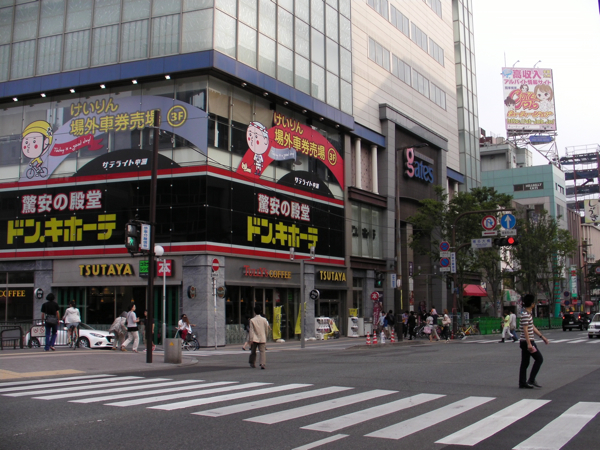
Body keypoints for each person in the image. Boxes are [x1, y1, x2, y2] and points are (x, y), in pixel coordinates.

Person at [518, 294, 549, 389]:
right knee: (539, 359)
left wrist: (542, 337)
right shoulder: (525, 315)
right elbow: (525, 330)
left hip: (526, 341)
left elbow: (532, 327)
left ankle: (522, 382)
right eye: (534, 303)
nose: (534, 304)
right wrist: (529, 344)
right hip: (527, 342)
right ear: (532, 304)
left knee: (525, 362)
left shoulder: (527, 314)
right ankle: (531, 380)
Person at [248, 304, 270, 369]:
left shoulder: (252, 320)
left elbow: (251, 330)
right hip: (262, 337)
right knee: (262, 351)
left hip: (254, 338)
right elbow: (266, 329)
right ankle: (262, 363)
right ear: (260, 311)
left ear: (254, 312)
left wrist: (251, 339)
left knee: (253, 351)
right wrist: (266, 335)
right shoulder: (264, 319)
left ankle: (252, 363)